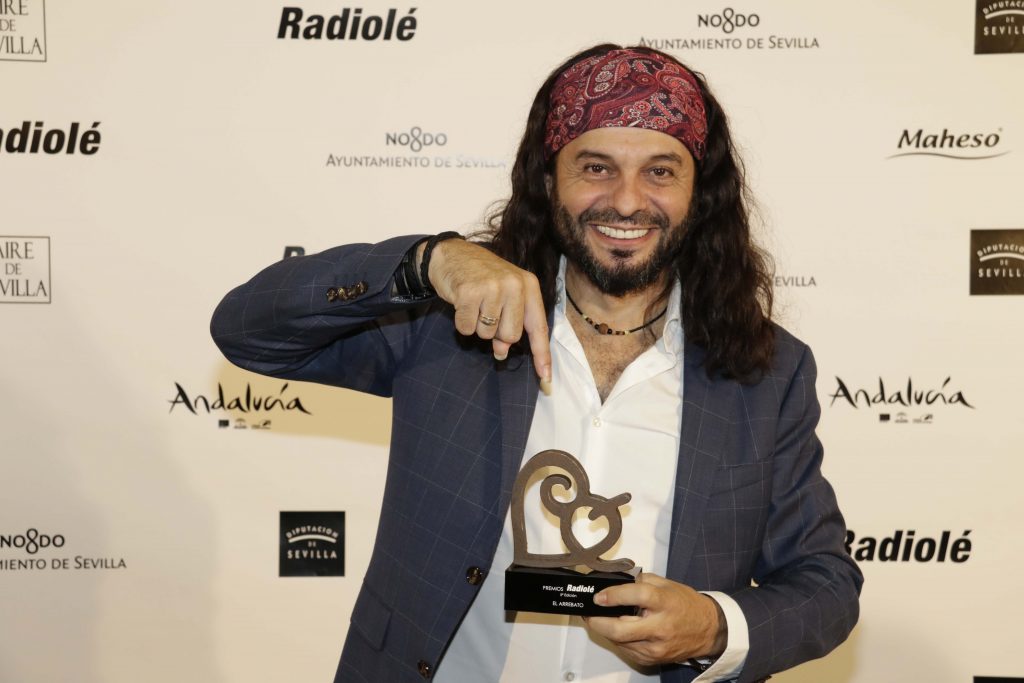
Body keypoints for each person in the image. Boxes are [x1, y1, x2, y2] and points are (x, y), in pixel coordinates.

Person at [211, 44, 862, 683]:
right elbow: (247, 331)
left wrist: (715, 626)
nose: (627, 201)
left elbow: (826, 584)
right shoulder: (449, 324)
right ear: (549, 180)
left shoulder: (768, 373)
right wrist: (427, 260)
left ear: (700, 192)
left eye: (661, 171)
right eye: (596, 167)